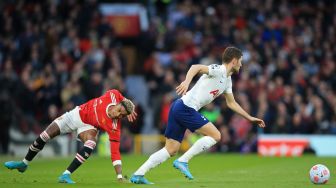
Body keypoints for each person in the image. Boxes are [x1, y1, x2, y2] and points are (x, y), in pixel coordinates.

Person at [130, 47, 266, 184]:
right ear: (234, 61)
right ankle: (183, 160)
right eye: (240, 61)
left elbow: (232, 103)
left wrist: (250, 118)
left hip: (179, 107)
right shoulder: (219, 70)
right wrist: (186, 82)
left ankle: (138, 174)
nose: (241, 65)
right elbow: (195, 67)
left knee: (170, 150)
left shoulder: (227, 80)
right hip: (185, 108)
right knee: (216, 135)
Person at [4, 89, 137, 184]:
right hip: (76, 115)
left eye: (122, 116)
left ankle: (66, 175)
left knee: (91, 143)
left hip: (88, 127)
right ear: (119, 104)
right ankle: (24, 163)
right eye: (120, 111)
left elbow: (115, 152)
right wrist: (127, 104)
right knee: (44, 136)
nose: (118, 115)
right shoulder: (113, 95)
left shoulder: (114, 127)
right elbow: (121, 95)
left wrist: (119, 176)